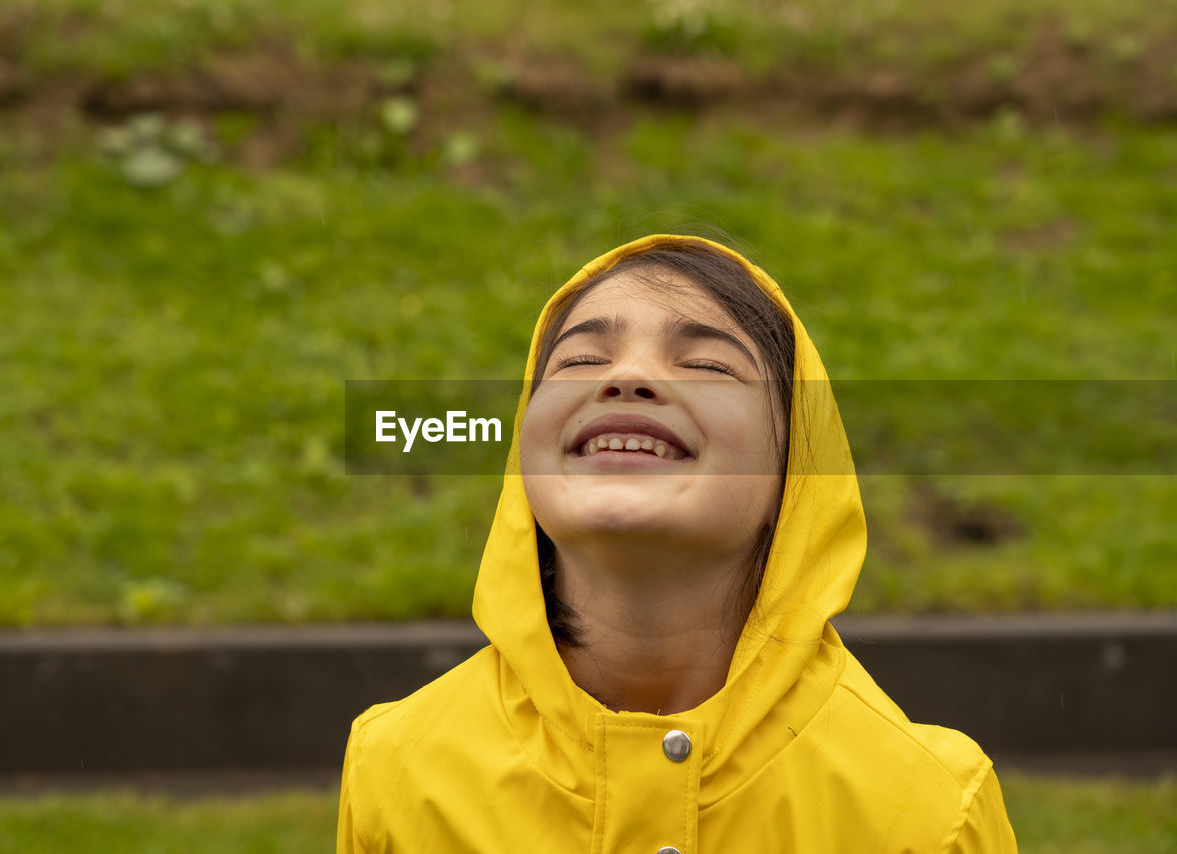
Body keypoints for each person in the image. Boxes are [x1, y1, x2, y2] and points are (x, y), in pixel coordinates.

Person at [337, 234, 1019, 852]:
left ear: (798, 471)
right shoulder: (397, 770)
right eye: (578, 359)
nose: (627, 377)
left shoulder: (927, 809)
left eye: (709, 366)